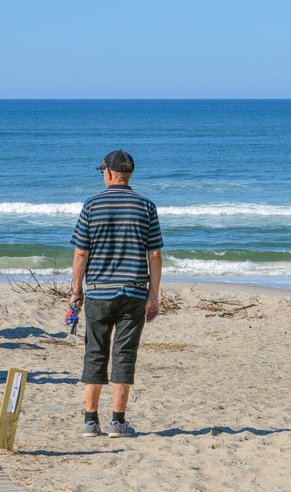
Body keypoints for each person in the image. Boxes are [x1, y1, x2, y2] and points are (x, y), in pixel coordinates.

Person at [70, 149, 163, 439]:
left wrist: (76, 292)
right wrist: (153, 296)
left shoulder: (92, 205)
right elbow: (155, 254)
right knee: (124, 355)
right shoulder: (146, 206)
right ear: (129, 174)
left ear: (109, 173)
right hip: (133, 292)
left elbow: (81, 253)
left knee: (95, 352)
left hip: (99, 292)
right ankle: (117, 423)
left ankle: (90, 422)